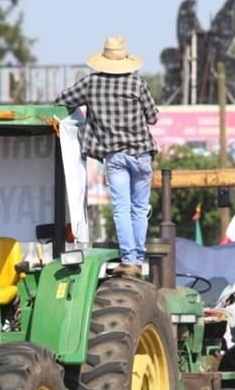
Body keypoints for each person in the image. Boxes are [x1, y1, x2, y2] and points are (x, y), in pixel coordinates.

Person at [56, 36, 158, 278]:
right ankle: (138, 259)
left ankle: (129, 259)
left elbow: (61, 101)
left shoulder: (91, 84)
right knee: (140, 208)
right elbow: (153, 117)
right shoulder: (137, 83)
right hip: (141, 153)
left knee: (121, 209)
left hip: (114, 156)